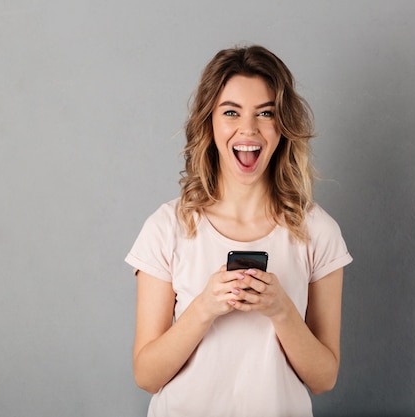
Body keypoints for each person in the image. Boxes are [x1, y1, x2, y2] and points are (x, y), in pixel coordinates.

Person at [125, 45, 352, 417]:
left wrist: (281, 311)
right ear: (209, 122)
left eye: (266, 113)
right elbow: (147, 376)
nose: (249, 128)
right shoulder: (167, 228)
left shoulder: (318, 231)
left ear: (283, 126)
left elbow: (323, 379)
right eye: (231, 112)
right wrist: (204, 307)